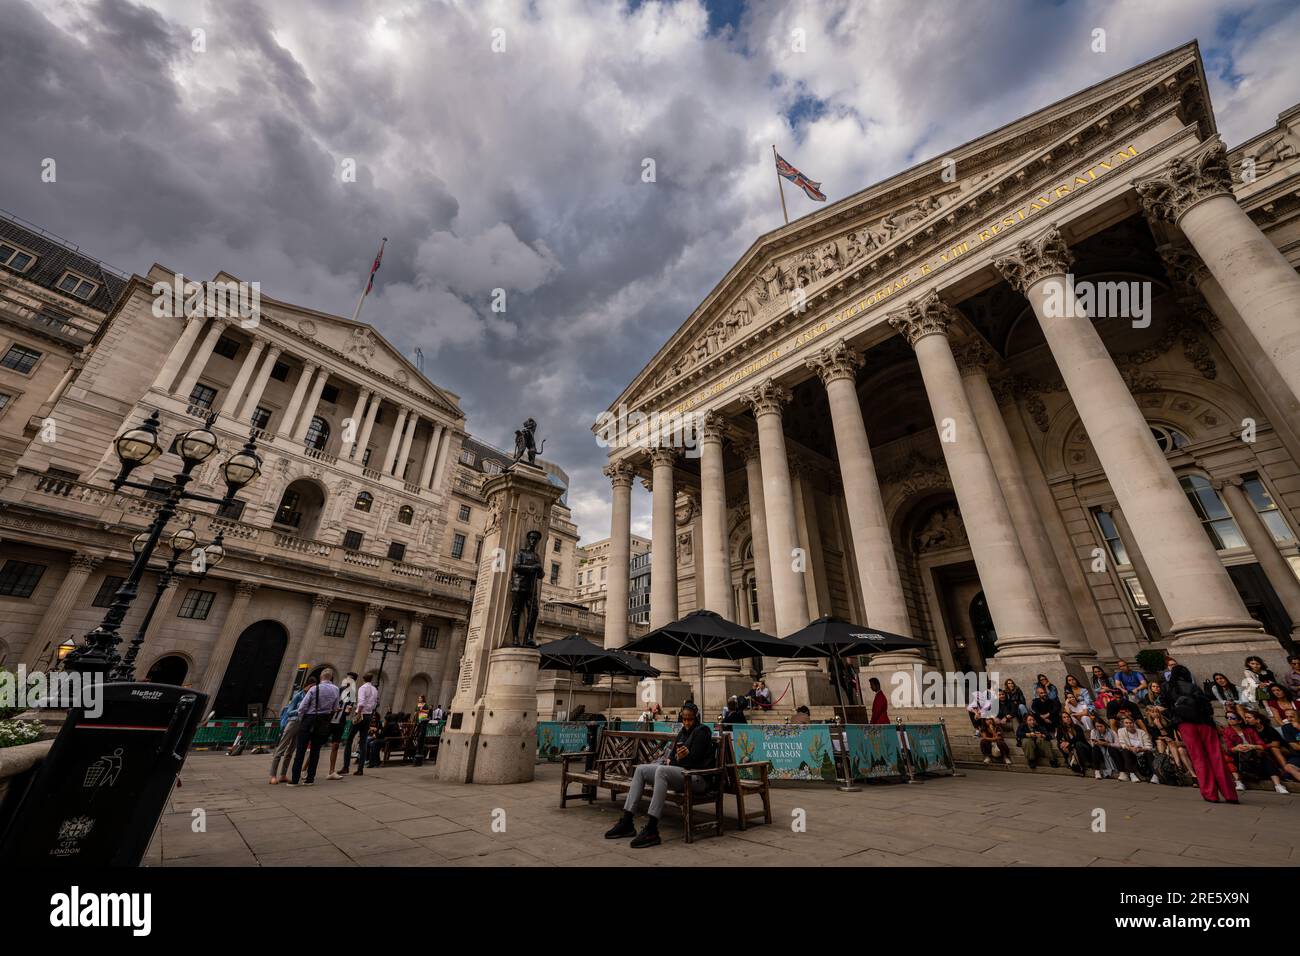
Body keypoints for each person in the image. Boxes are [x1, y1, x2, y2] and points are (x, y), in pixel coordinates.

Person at [603, 702, 714, 848]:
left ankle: (652, 828)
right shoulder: (682, 733)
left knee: (661, 771)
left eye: (690, 719)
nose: (687, 722)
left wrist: (683, 758)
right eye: (684, 719)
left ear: (696, 718)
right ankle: (627, 821)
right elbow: (673, 758)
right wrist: (679, 759)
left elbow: (695, 760)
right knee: (641, 770)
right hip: (682, 774)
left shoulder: (702, 731)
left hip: (698, 779)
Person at [1163, 664, 1234, 803]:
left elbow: (1166, 708)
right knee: (1216, 757)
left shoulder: (1167, 687)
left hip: (1186, 726)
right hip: (1204, 724)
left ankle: (1210, 794)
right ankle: (1230, 794)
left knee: (1198, 759)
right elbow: (1207, 708)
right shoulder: (1193, 687)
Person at [289, 668, 340, 786]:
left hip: (309, 719)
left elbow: (302, 707)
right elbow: (335, 707)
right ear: (331, 678)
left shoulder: (314, 688)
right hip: (324, 721)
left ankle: (295, 779)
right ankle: (310, 779)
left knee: (301, 750)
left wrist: (303, 719)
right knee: (315, 751)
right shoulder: (336, 690)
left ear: (321, 677)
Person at [1220, 711, 1286, 794]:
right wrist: (1237, 748)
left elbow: (1262, 745)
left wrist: (1253, 746)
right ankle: (1238, 782)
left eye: (1232, 718)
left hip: (1253, 755)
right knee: (1231, 757)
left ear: (1240, 720)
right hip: (1239, 756)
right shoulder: (1226, 731)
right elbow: (1229, 749)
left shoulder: (1249, 730)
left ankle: (1278, 785)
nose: (1229, 719)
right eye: (1227, 718)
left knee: (1265, 757)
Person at [1241, 709, 1300, 788]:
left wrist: (1262, 746)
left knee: (1274, 749)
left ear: (1258, 720)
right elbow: (1294, 746)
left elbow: (1276, 744)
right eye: (1287, 717)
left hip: (1284, 749)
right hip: (1291, 754)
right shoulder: (1286, 727)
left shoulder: (1268, 729)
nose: (1289, 719)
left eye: (1249, 717)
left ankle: (1285, 772)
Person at [270, 681, 308, 784]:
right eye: (311, 686)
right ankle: (273, 775)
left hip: (301, 724)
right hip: (293, 722)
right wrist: (300, 710)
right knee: (281, 749)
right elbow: (289, 711)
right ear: (307, 686)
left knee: (290, 751)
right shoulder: (298, 696)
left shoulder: (310, 696)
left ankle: (283, 775)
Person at [341, 671, 378, 777]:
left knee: (349, 739)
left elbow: (361, 703)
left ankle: (345, 767)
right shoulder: (375, 689)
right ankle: (360, 769)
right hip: (369, 715)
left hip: (361, 714)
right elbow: (375, 703)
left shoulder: (362, 688)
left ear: (363, 679)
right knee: (363, 741)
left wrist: (358, 714)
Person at [1114, 716, 1155, 783]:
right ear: (1123, 724)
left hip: (1142, 753)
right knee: (1125, 751)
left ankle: (1155, 775)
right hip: (1131, 753)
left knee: (1149, 753)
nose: (1129, 725)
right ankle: (1132, 774)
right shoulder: (1121, 731)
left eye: (1130, 723)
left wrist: (1140, 749)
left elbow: (1149, 746)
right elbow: (1122, 744)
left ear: (1134, 723)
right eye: (1126, 723)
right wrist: (1131, 748)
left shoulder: (1142, 732)